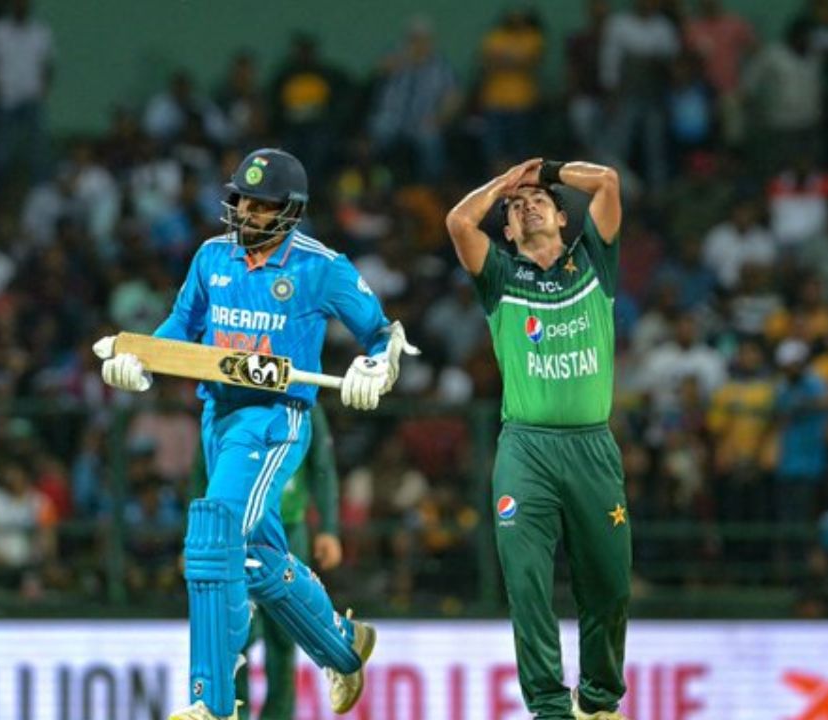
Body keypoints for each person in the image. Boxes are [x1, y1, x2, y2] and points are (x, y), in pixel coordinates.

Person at [94, 147, 417, 720]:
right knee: (259, 556)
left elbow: (382, 334)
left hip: (273, 419)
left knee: (213, 535)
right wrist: (142, 358)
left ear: (290, 211)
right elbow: (182, 325)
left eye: (262, 205)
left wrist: (375, 366)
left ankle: (211, 703)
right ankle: (343, 646)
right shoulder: (211, 256)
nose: (247, 212)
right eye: (243, 199)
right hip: (217, 417)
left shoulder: (320, 267)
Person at [445, 157, 629, 720]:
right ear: (506, 229)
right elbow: (458, 222)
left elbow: (607, 182)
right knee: (526, 583)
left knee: (609, 585)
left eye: (539, 201)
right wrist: (504, 183)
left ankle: (598, 701)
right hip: (526, 450)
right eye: (516, 208)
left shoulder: (594, 259)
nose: (528, 207)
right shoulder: (499, 276)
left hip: (592, 448)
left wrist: (546, 171)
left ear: (562, 217)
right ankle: (549, 707)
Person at [191, 405, 342, 720]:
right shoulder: (229, 398)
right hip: (236, 531)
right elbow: (203, 468)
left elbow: (322, 466)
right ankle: (235, 713)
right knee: (235, 629)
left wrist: (328, 528)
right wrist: (194, 535)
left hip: (289, 529)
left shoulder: (302, 399)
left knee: (285, 632)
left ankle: (278, 715)